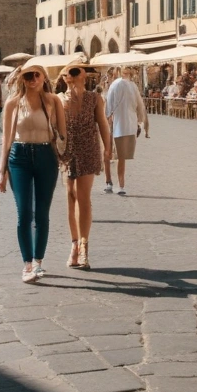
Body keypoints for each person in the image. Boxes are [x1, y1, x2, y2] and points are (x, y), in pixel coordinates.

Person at [0, 63, 66, 283]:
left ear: (44, 77)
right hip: (19, 156)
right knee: (24, 212)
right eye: (28, 75)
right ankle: (27, 264)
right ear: (22, 78)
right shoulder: (13, 103)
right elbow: (6, 140)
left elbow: (63, 135)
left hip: (46, 155)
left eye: (37, 75)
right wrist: (2, 171)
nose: (32, 79)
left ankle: (38, 261)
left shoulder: (53, 101)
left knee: (42, 213)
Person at [59, 65, 112, 271]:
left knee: (83, 197)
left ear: (84, 75)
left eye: (76, 71)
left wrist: (108, 148)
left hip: (88, 149)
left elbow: (102, 124)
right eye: (69, 72)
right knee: (70, 196)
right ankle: (73, 244)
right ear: (64, 77)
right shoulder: (59, 99)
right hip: (67, 153)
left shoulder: (94, 98)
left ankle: (83, 245)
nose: (73, 75)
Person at [104, 66, 143, 196]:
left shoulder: (119, 85)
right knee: (114, 155)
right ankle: (111, 181)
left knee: (114, 155)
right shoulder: (121, 86)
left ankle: (116, 183)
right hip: (119, 124)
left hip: (114, 123)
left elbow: (108, 107)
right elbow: (139, 105)